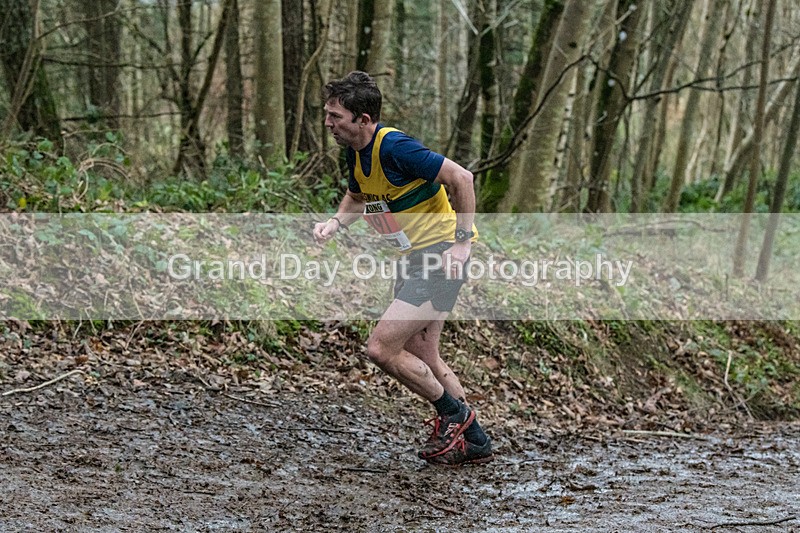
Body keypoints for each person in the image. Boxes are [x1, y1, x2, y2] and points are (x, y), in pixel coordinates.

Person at [313, 71, 492, 465]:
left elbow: (462, 178)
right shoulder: (355, 152)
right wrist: (335, 223)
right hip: (413, 258)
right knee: (424, 355)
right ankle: (475, 440)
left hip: (440, 256)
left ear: (363, 119)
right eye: (327, 114)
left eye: (335, 116)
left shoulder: (396, 148)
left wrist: (462, 243)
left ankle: (455, 416)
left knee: (380, 348)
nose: (328, 123)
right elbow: (357, 196)